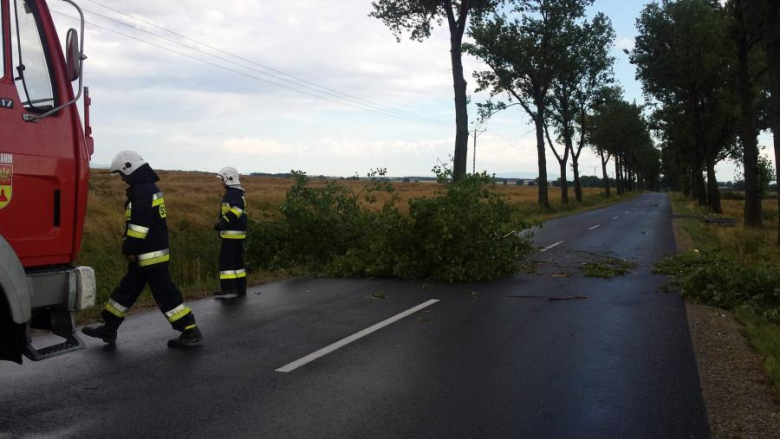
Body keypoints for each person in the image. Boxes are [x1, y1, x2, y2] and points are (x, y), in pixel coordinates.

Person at [82, 151, 203, 348]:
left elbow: (139, 227)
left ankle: (190, 330)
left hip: (149, 255)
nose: (121, 178)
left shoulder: (141, 192)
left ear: (130, 170)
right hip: (147, 254)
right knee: (126, 290)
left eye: (122, 174)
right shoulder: (148, 188)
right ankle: (109, 326)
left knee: (165, 294)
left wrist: (129, 248)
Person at [213, 167, 247, 297]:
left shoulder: (232, 193)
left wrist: (223, 222)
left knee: (226, 260)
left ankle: (228, 288)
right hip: (238, 234)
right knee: (237, 262)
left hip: (231, 234)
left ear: (228, 178)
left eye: (222, 179)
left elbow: (237, 209)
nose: (221, 182)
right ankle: (240, 287)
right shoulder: (237, 192)